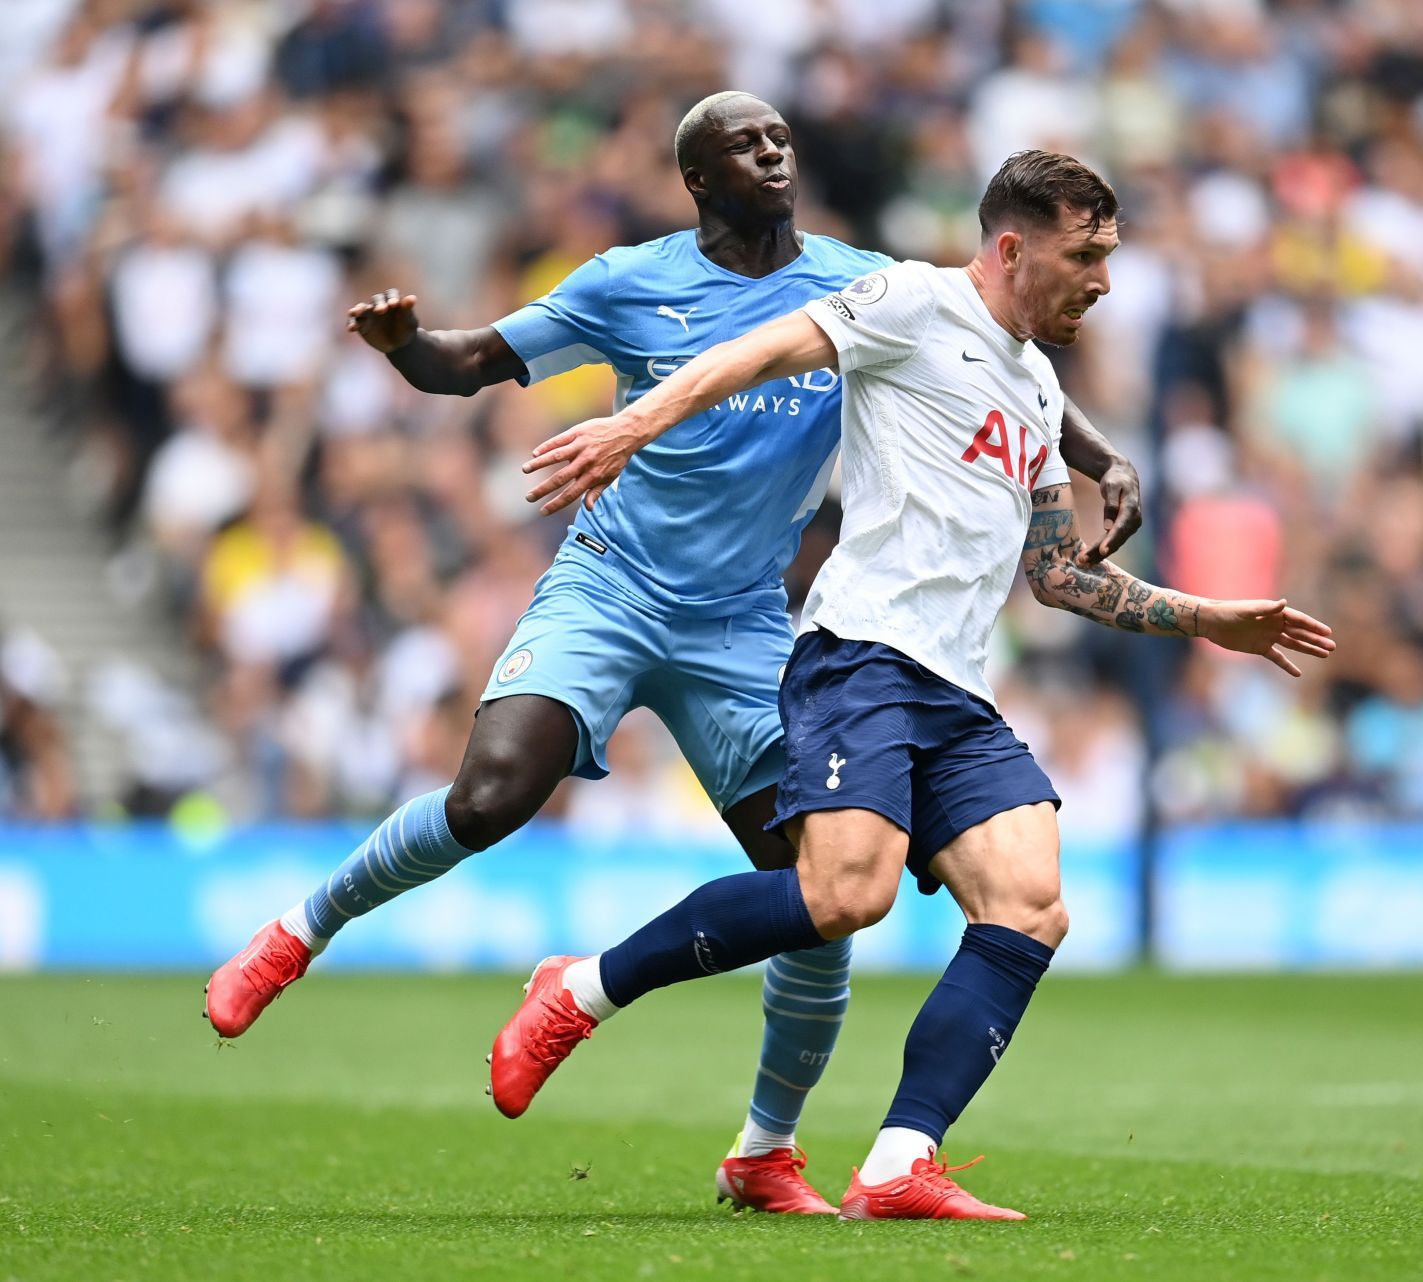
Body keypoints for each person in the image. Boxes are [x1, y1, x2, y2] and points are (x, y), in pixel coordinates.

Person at [201, 94, 1144, 1215]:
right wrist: (409, 346)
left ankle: (765, 1149)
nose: (777, 153)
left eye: (784, 137)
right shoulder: (624, 281)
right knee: (493, 793)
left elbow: (996, 358)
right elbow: (467, 365)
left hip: (744, 619)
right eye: (748, 145)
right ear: (699, 179)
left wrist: (1097, 454)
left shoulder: (859, 276)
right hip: (612, 585)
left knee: (820, 880)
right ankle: (298, 932)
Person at [489, 151, 1334, 1220]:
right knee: (847, 894)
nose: (1104, 281)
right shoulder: (911, 302)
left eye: (1111, 258)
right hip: (862, 654)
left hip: (954, 685)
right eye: (1086, 256)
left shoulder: (1035, 384)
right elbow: (761, 349)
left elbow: (1060, 575)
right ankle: (583, 986)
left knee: (1030, 904)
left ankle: (898, 1160)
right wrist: (635, 423)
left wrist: (1210, 618)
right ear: (1014, 246)